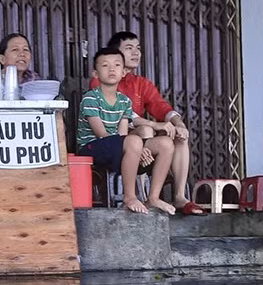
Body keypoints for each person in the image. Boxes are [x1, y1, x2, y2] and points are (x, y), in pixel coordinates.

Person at [96, 32, 205, 214]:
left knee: (178, 137)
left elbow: (160, 106)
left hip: (139, 140)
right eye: (129, 48)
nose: (136, 53)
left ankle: (178, 196)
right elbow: (112, 116)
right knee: (146, 130)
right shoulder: (103, 79)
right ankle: (137, 194)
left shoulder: (141, 83)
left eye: (138, 48)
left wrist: (179, 123)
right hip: (114, 140)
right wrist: (145, 133)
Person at [77, 48, 175, 215]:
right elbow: (101, 134)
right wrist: (135, 147)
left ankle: (153, 197)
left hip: (116, 145)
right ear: (95, 73)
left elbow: (123, 134)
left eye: (116, 65)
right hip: (92, 149)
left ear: (123, 72)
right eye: (105, 65)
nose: (111, 69)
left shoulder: (124, 101)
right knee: (134, 141)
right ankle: (129, 196)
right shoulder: (90, 98)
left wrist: (136, 148)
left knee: (165, 144)